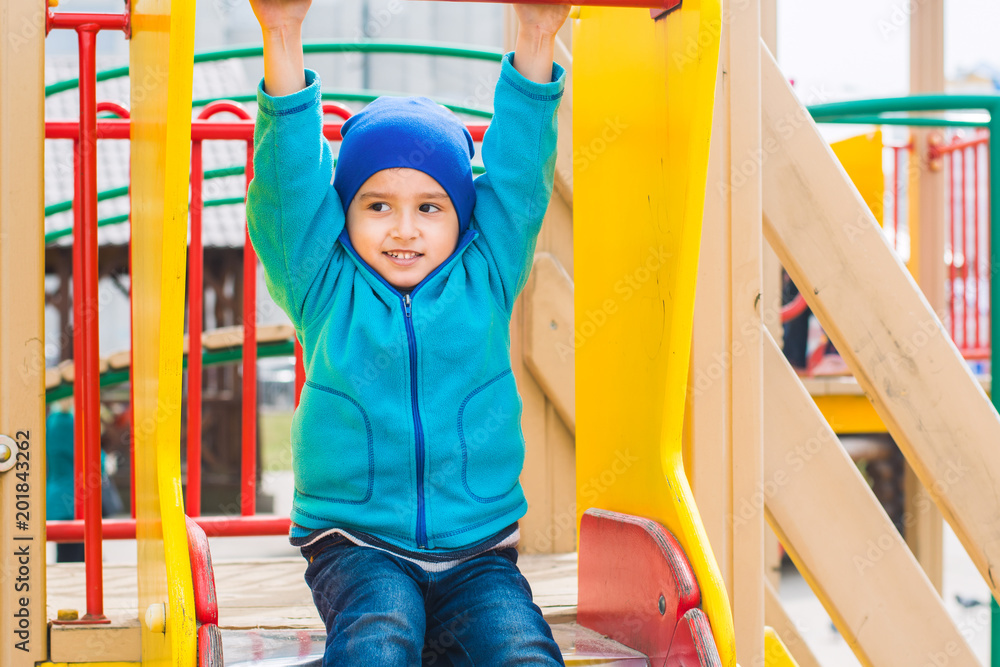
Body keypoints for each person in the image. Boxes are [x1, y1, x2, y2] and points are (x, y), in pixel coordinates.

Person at [245, 1, 569, 664]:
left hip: (478, 548)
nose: (404, 228)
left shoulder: (488, 271)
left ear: (462, 215)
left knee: (521, 648)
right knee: (379, 637)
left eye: (429, 207)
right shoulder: (322, 282)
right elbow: (287, 186)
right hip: (357, 541)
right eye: (377, 205)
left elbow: (518, 174)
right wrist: (281, 32)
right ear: (345, 210)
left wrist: (538, 33)